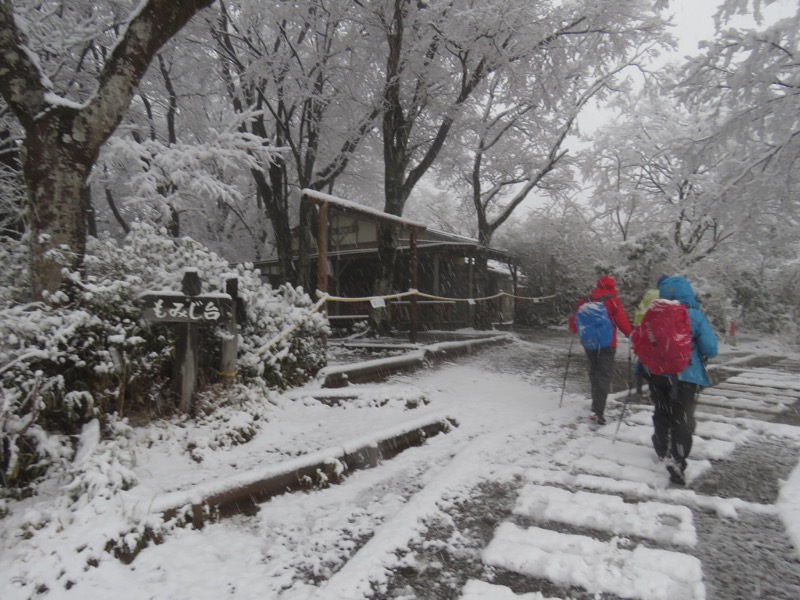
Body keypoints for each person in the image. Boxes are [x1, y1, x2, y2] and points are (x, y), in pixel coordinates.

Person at [644, 275, 718, 486]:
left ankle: (660, 447)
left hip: (657, 373)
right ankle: (677, 458)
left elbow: (643, 343)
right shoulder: (695, 316)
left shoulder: (653, 314)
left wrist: (641, 368)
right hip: (686, 375)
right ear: (687, 292)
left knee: (661, 409)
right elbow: (711, 349)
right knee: (682, 417)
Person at [568, 275, 632, 425]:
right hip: (607, 344)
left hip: (589, 343)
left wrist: (573, 329)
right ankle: (598, 411)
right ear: (612, 287)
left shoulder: (585, 300)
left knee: (594, 372)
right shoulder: (612, 301)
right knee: (604, 375)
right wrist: (631, 334)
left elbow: (574, 323)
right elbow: (621, 322)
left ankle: (595, 404)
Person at [632, 277, 665, 395]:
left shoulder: (649, 294)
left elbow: (640, 311)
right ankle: (654, 389)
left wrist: (637, 328)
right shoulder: (664, 295)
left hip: (642, 330)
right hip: (655, 333)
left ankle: (639, 388)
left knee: (642, 358)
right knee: (655, 361)